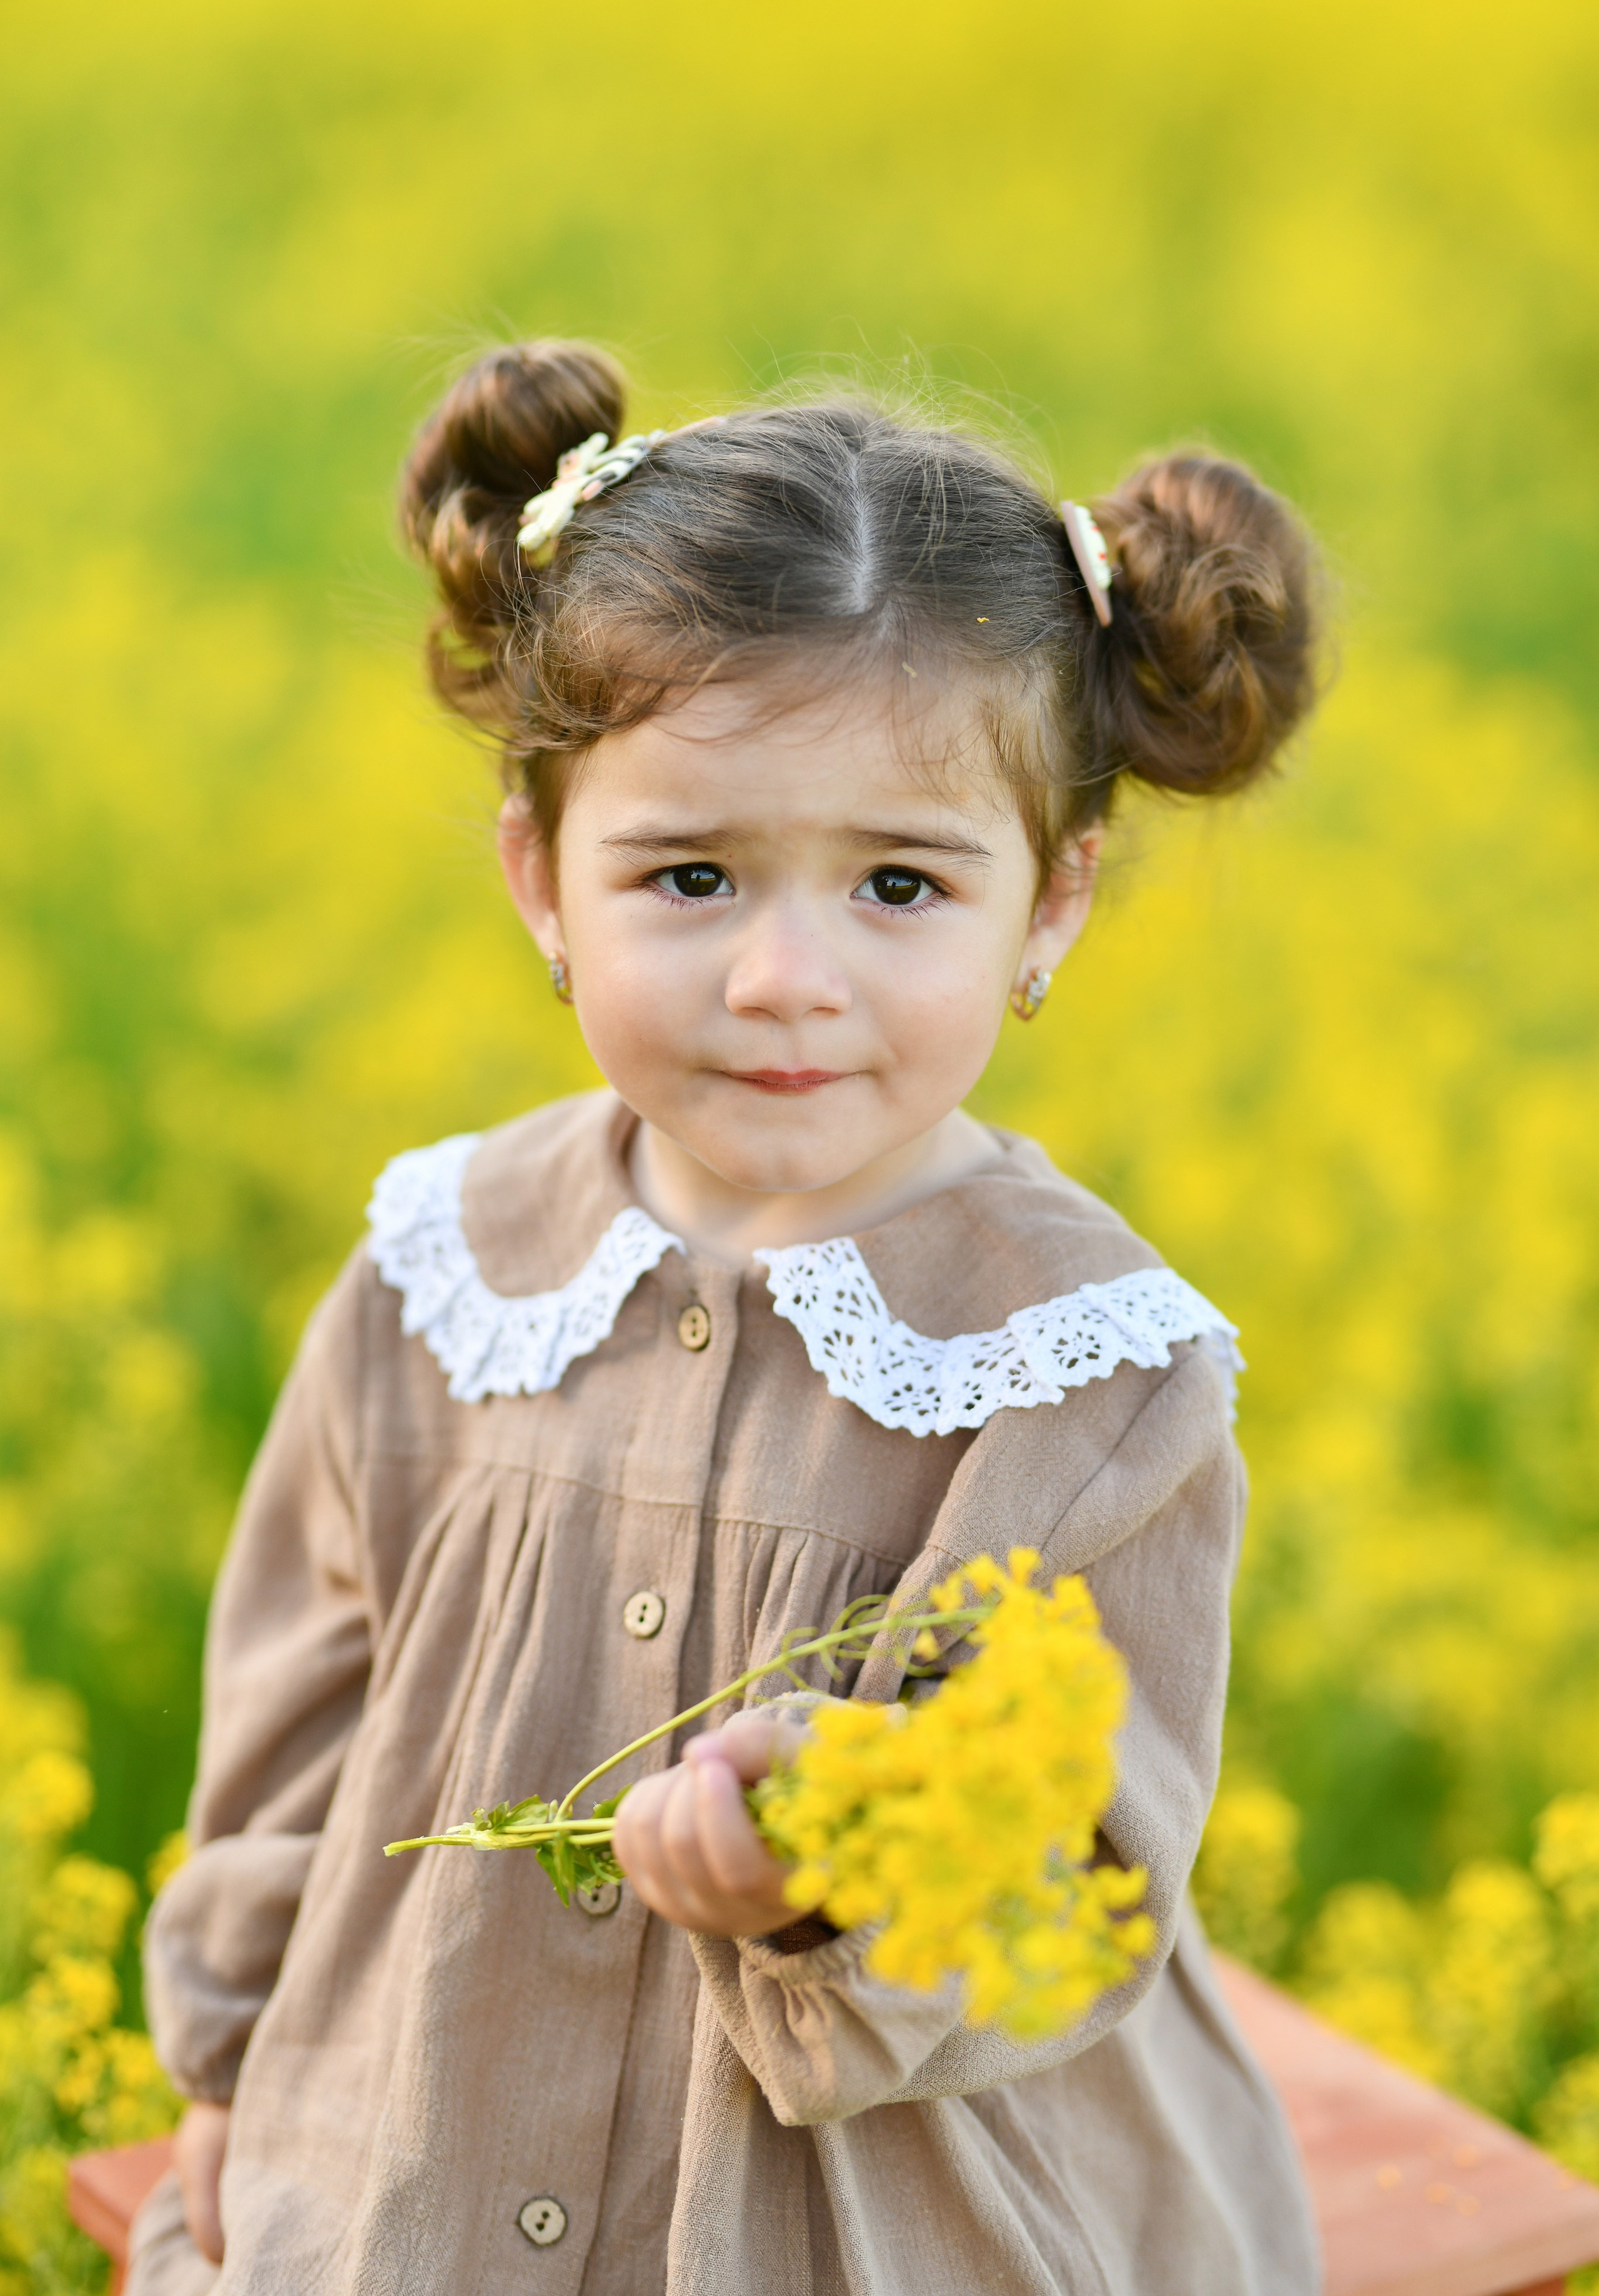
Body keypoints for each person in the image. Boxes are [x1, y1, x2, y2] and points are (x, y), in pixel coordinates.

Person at [132, 340, 1325, 2295]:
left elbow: (1079, 1872)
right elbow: (297, 1708)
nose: (785, 977)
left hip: (869, 2208)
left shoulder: (1088, 1367)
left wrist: (827, 1880)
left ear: (1051, 905)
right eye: (688, 875)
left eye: (900, 886)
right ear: (541, 877)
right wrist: (231, 2055)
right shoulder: (448, 1268)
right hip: (420, 2141)